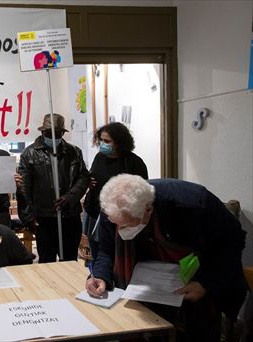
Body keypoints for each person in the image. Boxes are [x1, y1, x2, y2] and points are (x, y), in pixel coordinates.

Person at [86, 174, 247, 341]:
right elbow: (106, 249)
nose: (118, 230)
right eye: (115, 223)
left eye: (125, 225)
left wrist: (205, 283)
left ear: (148, 210)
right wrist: (100, 276)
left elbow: (232, 243)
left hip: (198, 277)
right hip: (147, 287)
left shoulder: (193, 204)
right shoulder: (112, 208)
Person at [17, 113, 89, 263]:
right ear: (42, 132)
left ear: (62, 133)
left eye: (57, 133)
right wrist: (28, 217)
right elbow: (23, 187)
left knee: (70, 259)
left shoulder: (74, 152)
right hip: (44, 218)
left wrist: (70, 198)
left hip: (70, 215)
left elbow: (83, 177)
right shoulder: (29, 154)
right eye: (49, 133)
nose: (53, 137)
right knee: (46, 260)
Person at [83, 122, 148, 262]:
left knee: (118, 257)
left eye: (107, 141)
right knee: (98, 254)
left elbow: (142, 193)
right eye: (101, 140)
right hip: (95, 213)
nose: (102, 144)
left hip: (121, 219)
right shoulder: (99, 158)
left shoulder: (134, 163)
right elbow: (93, 176)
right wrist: (88, 181)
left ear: (119, 142)